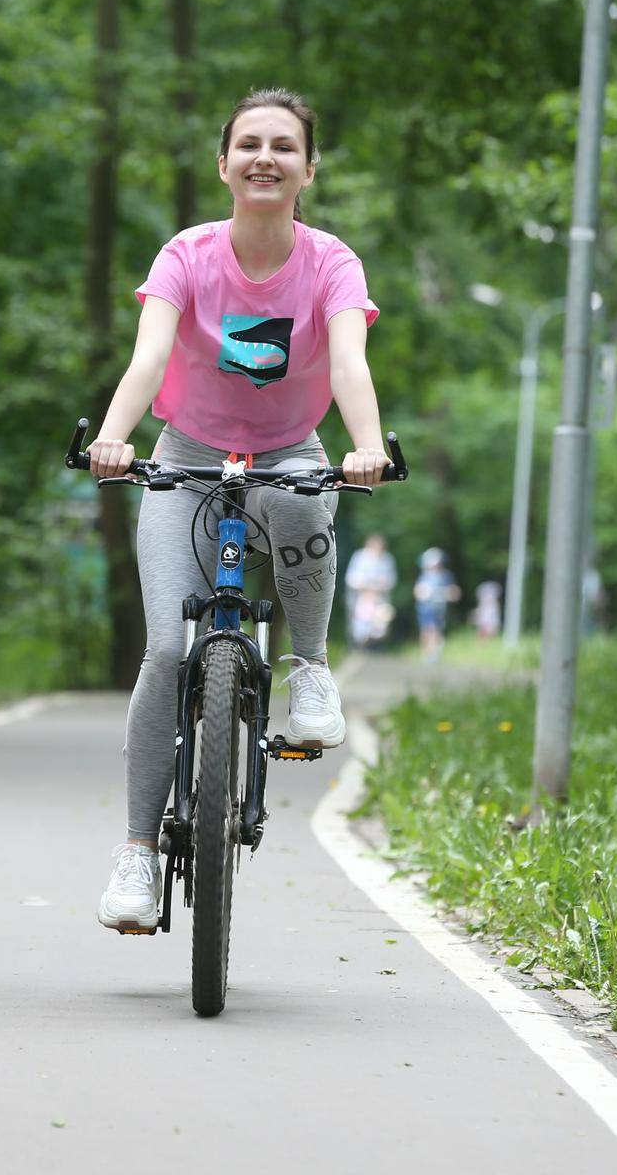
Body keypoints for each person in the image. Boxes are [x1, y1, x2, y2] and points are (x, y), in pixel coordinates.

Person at [84, 88, 390, 932]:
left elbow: (352, 364)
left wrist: (365, 446)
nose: (265, 157)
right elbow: (149, 359)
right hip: (186, 457)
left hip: (291, 451)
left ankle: (313, 667)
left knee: (307, 505)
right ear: (223, 165)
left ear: (307, 171)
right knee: (161, 651)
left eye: (283, 147)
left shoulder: (331, 262)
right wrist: (115, 438)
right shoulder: (186, 255)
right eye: (248, 144)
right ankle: (140, 856)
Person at [344, 533, 397, 650]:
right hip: (360, 597)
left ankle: (375, 647)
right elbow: (351, 578)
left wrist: (378, 586)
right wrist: (365, 586)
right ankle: (358, 647)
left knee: (380, 625)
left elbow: (391, 580)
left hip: (379, 598)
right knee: (359, 624)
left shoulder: (387, 559)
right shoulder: (359, 557)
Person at [412, 547, 459, 661]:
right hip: (426, 608)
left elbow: (455, 592)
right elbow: (418, 592)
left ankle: (434, 652)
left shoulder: (446, 576)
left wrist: (449, 593)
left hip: (440, 608)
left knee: (436, 629)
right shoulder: (424, 576)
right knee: (427, 628)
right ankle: (426, 651)